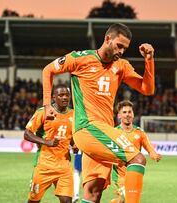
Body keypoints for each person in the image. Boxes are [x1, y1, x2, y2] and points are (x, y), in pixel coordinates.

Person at [42, 23, 155, 203]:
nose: (122, 51)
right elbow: (48, 70)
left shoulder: (122, 66)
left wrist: (149, 60)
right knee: (137, 158)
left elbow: (147, 89)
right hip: (88, 128)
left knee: (93, 193)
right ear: (107, 39)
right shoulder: (80, 59)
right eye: (119, 46)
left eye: (125, 48)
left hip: (102, 133)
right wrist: (47, 104)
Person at [24, 84, 74, 203]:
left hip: (64, 165)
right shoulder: (44, 112)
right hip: (44, 165)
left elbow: (70, 135)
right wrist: (47, 142)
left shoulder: (74, 114)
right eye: (61, 95)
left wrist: (74, 144)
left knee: (67, 201)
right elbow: (27, 134)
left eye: (67, 95)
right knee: (34, 200)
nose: (65, 98)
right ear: (53, 97)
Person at [110, 100, 162, 203]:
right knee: (130, 200)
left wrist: (154, 154)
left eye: (130, 112)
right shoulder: (114, 133)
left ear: (133, 114)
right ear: (119, 115)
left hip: (135, 174)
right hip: (120, 177)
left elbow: (149, 147)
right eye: (124, 112)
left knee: (124, 201)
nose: (127, 114)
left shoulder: (139, 132)